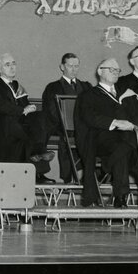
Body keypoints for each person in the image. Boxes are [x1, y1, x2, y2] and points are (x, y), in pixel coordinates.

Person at [74, 58, 138, 208]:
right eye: (111, 69)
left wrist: (132, 124)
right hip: (99, 139)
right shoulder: (89, 95)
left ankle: (111, 175)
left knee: (132, 147)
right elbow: (89, 117)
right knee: (126, 144)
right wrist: (116, 123)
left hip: (124, 140)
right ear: (100, 72)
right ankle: (121, 195)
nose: (115, 72)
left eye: (117, 70)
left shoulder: (126, 94)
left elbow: (137, 116)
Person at [0, 53, 53, 176]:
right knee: (16, 126)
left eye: (14, 64)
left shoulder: (17, 86)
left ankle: (38, 156)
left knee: (40, 118)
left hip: (16, 125)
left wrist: (30, 109)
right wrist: (22, 111)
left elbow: (26, 109)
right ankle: (36, 168)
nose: (12, 67)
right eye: (7, 64)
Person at [40, 53, 91, 183]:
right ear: (62, 67)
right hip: (63, 127)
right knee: (68, 138)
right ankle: (77, 174)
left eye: (76, 66)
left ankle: (88, 174)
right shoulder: (53, 87)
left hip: (84, 128)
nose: (74, 69)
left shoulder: (86, 87)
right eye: (70, 66)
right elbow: (52, 112)